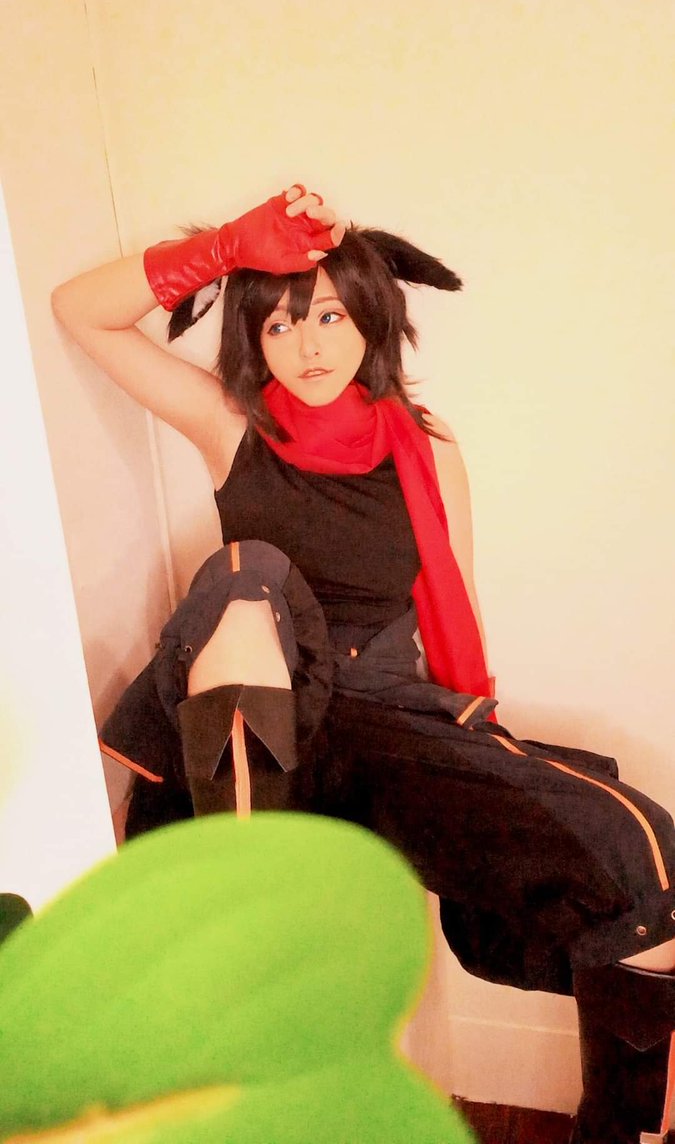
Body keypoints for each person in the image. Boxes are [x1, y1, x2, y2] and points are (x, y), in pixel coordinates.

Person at [52, 185, 675, 1143]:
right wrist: (226, 248)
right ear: (252, 342)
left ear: (370, 320)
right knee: (247, 574)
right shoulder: (232, 428)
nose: (307, 345)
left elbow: (457, 602)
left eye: (329, 316)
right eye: (279, 324)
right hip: (261, 708)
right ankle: (250, 908)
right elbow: (79, 310)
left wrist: (480, 744)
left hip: (387, 713)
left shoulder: (425, 445)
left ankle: (621, 1132)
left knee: (644, 852)